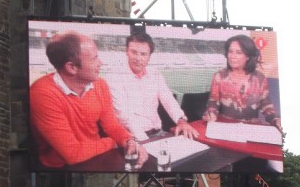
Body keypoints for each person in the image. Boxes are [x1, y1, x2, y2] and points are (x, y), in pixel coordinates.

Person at [30, 31, 148, 169]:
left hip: (98, 156)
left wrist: (129, 140)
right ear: (72, 67)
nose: (101, 63)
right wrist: (113, 143)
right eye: (94, 58)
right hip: (61, 169)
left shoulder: (100, 85)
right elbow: (72, 154)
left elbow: (112, 125)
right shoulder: (42, 93)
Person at [106, 32, 199, 141]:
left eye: (143, 54)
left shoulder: (155, 74)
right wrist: (146, 142)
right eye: (134, 52)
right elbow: (124, 117)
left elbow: (168, 100)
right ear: (127, 52)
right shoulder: (115, 76)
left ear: (149, 57)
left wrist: (181, 121)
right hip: (131, 138)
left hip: (158, 134)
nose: (138, 58)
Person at [202, 34, 282, 131]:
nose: (232, 56)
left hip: (251, 128)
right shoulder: (219, 76)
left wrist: (275, 120)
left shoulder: (260, 78)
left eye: (239, 52)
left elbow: (266, 106)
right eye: (230, 52)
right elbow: (213, 104)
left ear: (248, 56)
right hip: (225, 127)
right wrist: (210, 114)